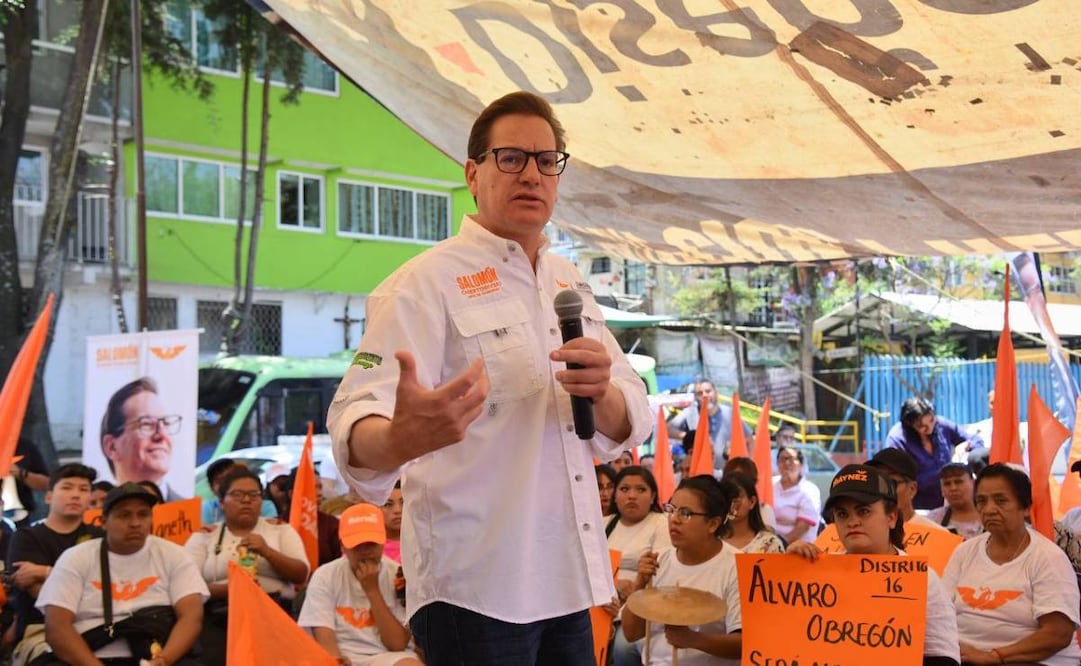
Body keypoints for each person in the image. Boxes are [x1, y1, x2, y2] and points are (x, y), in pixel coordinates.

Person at [327, 90, 652, 665]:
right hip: (474, 590)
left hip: (568, 578)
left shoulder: (567, 281)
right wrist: (401, 438)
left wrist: (601, 392)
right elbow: (354, 420)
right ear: (473, 172)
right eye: (511, 158)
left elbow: (631, 419)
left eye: (546, 160)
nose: (531, 173)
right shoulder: (423, 283)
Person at [788, 465, 961, 665]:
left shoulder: (923, 579)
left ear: (892, 517)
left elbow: (944, 658)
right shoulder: (817, 573)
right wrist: (790, 571)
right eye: (842, 514)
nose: (852, 522)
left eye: (863, 511)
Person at [36, 482, 208, 665]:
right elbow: (57, 627)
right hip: (88, 657)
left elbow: (191, 617)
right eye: (124, 515)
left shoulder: (175, 555)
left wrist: (164, 660)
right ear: (103, 522)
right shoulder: (75, 558)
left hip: (157, 654)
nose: (135, 523)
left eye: (143, 514)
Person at [942, 463, 1081, 665]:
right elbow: (942, 614)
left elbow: (1057, 634)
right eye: (981, 501)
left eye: (1001, 500)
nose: (989, 509)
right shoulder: (964, 552)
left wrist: (995, 656)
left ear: (1025, 508)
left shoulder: (1049, 558)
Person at [183, 467, 310, 665]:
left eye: (254, 495)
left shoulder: (280, 529)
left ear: (262, 500)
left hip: (274, 613)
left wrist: (267, 552)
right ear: (221, 502)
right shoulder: (204, 535)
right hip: (221, 617)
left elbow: (301, 574)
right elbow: (187, 588)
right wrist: (235, 589)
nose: (246, 500)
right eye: (237, 495)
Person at [621, 476, 743, 664]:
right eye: (671, 509)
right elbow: (631, 633)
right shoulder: (658, 560)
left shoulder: (736, 567)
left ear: (713, 524)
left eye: (685, 513)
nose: (674, 520)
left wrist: (694, 640)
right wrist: (640, 583)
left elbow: (743, 644)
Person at [299, 503, 421, 666]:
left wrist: (372, 590)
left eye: (371, 544)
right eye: (357, 545)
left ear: (383, 541)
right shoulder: (325, 575)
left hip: (386, 656)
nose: (365, 551)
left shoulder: (397, 574)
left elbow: (397, 644)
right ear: (343, 545)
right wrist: (335, 659)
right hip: (343, 653)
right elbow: (323, 631)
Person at [6, 464, 103, 664]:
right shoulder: (25, 538)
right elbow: (45, 597)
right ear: (49, 496)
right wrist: (86, 581)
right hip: (40, 630)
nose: (75, 495)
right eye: (67, 488)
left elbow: (108, 586)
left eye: (83, 490)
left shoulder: (100, 538)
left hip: (98, 625)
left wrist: (45, 571)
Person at [604, 466, 671, 666]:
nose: (632, 496)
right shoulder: (603, 523)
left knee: (623, 648)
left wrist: (632, 590)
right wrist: (613, 586)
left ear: (652, 497)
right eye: (625, 489)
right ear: (615, 496)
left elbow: (661, 572)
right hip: (602, 606)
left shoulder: (661, 523)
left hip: (642, 609)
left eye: (640, 490)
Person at [885, 396, 983, 510]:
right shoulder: (897, 439)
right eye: (922, 426)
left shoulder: (941, 424)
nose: (930, 428)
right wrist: (943, 472)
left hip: (950, 504)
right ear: (909, 425)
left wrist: (968, 449)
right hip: (918, 507)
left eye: (932, 420)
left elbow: (975, 440)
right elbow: (900, 480)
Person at [100, 376, 183, 500]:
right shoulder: (94, 514)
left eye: (166, 424)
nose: (161, 435)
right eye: (147, 424)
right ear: (111, 447)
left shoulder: (193, 516)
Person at [667, 380, 752, 469]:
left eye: (708, 391)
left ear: (716, 393)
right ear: (696, 396)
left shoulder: (729, 413)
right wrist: (691, 436)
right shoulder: (691, 412)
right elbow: (667, 429)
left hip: (727, 473)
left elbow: (750, 440)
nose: (705, 395)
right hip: (702, 472)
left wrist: (749, 465)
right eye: (700, 393)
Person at [866, 448, 948, 532]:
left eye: (891, 483)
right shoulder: (862, 534)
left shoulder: (938, 537)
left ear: (912, 489)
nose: (882, 490)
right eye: (876, 483)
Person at [719, 472, 784, 554]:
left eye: (737, 498)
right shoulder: (710, 541)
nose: (732, 504)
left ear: (752, 502)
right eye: (727, 498)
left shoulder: (770, 544)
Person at [772, 446, 819, 544]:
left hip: (799, 547)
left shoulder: (809, 490)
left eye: (791, 459)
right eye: (782, 459)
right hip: (770, 544)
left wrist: (779, 545)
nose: (787, 463)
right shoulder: (770, 484)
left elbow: (803, 527)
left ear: (801, 464)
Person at [927, 463, 982, 539]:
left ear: (973, 483)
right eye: (947, 484)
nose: (953, 488)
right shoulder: (932, 520)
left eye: (958, 482)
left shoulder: (989, 515)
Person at [722, 457, 776, 530]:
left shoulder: (764, 511)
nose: (737, 482)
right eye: (732, 477)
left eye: (742, 478)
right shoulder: (714, 508)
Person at [381, 481, 404, 564]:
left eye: (403, 503)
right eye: (388, 504)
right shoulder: (369, 549)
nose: (397, 510)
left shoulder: (423, 543)